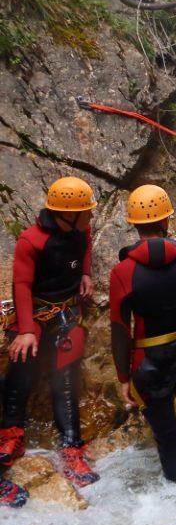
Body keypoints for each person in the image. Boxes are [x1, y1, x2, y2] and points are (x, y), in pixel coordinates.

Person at [0, 176, 99, 488]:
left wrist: (85, 273)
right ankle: (11, 435)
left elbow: (85, 246)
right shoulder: (32, 241)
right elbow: (22, 285)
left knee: (65, 378)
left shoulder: (80, 228)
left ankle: (71, 447)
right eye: (87, 211)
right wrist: (27, 330)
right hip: (36, 312)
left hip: (66, 311)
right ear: (67, 213)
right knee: (22, 365)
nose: (91, 215)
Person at [109, 185, 176, 483]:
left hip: (148, 362)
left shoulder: (123, 272)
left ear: (134, 224)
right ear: (167, 221)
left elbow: (119, 330)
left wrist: (124, 378)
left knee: (168, 440)